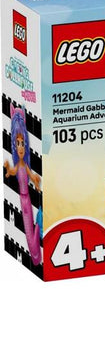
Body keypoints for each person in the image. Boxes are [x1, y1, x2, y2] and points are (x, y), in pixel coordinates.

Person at [4, 106, 42, 264]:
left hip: (26, 197)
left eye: (22, 143)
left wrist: (36, 181)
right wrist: (7, 169)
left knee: (30, 231)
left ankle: (35, 253)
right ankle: (35, 255)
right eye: (17, 143)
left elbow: (31, 176)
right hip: (23, 197)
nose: (20, 147)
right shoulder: (18, 164)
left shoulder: (25, 164)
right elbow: (11, 172)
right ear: (14, 145)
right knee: (28, 231)